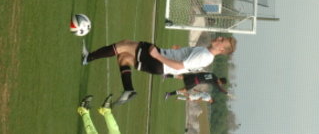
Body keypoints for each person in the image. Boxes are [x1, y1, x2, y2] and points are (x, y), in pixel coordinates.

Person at [82, 37, 236, 106]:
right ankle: (128, 90)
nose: (219, 38)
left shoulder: (205, 55)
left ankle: (88, 57)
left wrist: (157, 55)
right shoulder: (206, 55)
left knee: (124, 44)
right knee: (124, 58)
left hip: (158, 60)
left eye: (222, 41)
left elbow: (179, 66)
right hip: (160, 65)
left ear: (222, 50)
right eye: (221, 37)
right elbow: (183, 64)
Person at [164, 73, 228, 98]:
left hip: (194, 76)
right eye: (221, 83)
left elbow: (203, 73)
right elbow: (220, 89)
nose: (220, 84)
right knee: (184, 90)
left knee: (181, 77)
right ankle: (169, 94)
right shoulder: (214, 82)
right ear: (220, 81)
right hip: (195, 82)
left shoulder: (213, 75)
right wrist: (226, 93)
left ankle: (167, 75)